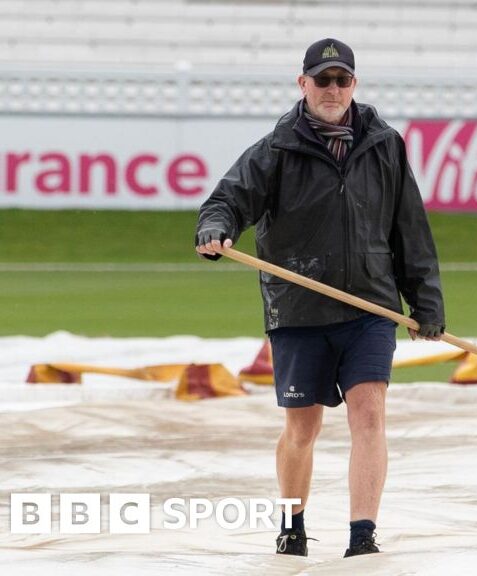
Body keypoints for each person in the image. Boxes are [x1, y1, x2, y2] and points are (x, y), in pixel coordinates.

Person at [194, 37, 445, 558]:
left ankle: (362, 536)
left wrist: (426, 303)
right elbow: (227, 200)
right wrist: (215, 228)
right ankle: (292, 525)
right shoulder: (276, 149)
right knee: (302, 426)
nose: (332, 89)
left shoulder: (385, 145)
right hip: (299, 307)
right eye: (322, 79)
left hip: (368, 308)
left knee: (369, 413)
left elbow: (409, 230)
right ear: (302, 83)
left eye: (342, 80)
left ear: (354, 84)